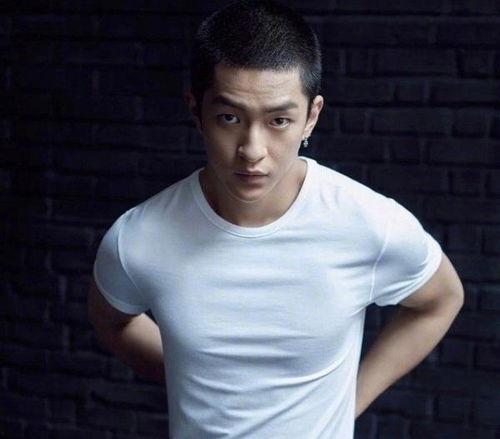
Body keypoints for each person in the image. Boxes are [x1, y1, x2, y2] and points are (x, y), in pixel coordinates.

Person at [87, 1, 465, 438]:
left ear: (311, 117)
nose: (252, 150)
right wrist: (188, 374)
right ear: (196, 112)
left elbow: (442, 298)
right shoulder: (138, 238)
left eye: (279, 120)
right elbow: (112, 320)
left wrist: (348, 405)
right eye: (229, 118)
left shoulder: (367, 223)